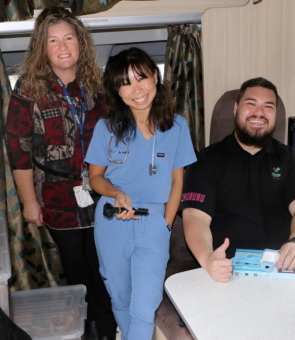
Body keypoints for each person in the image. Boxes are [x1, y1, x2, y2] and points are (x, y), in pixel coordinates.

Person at [4, 6, 116, 339]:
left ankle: (110, 323)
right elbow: (18, 151)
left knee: (104, 263)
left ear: (81, 42)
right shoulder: (28, 91)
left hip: (101, 189)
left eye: (69, 38)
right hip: (55, 196)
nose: (63, 46)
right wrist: (29, 202)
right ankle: (92, 325)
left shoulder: (98, 85)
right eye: (53, 40)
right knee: (76, 264)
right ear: (42, 47)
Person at [85, 47, 197, 340]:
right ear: (117, 90)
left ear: (156, 78)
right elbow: (95, 178)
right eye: (125, 82)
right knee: (120, 297)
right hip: (113, 219)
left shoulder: (177, 126)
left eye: (141, 78)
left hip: (154, 223)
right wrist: (116, 192)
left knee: (145, 306)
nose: (136, 89)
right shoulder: (106, 129)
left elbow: (177, 182)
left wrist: (167, 224)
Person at [181, 77, 295, 283]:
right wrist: (207, 258)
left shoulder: (292, 160)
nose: (259, 113)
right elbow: (195, 217)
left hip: (282, 261)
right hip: (228, 265)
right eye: (251, 104)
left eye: (268, 107)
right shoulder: (206, 161)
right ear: (236, 109)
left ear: (275, 115)